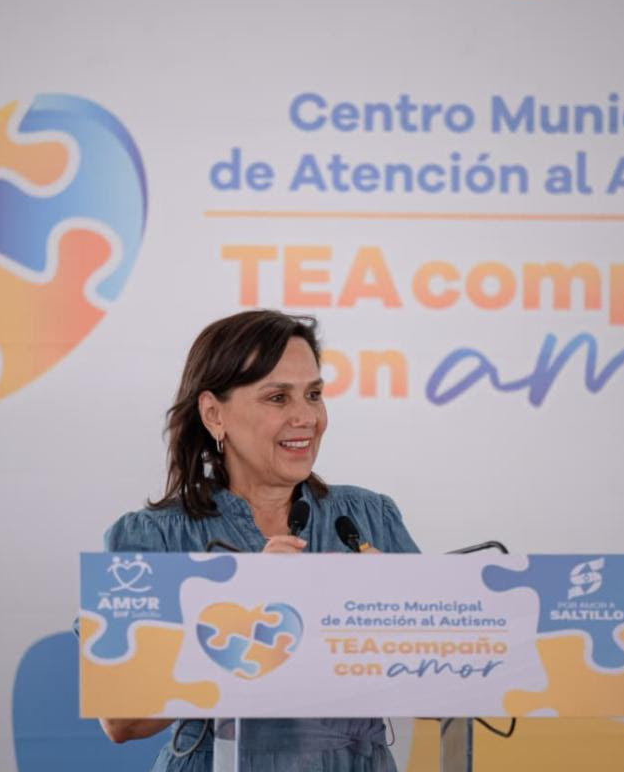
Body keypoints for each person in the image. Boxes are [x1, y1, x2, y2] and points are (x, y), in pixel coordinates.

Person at [99, 309, 418, 771]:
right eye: (278, 398)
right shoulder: (152, 538)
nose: (306, 417)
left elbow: (442, 692)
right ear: (214, 414)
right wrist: (249, 608)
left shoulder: (369, 517)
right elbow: (121, 720)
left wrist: (401, 625)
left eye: (313, 395)